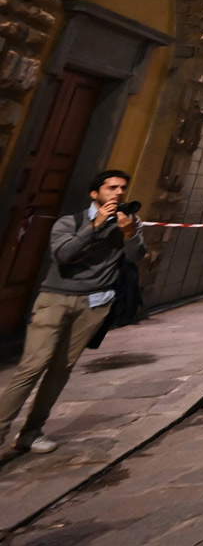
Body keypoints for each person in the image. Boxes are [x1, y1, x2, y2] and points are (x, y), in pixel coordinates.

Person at [0, 169, 143, 455]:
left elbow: (137, 258)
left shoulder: (127, 223)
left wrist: (129, 234)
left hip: (93, 304)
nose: (118, 193)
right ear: (95, 193)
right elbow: (63, 255)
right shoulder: (69, 222)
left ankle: (31, 432)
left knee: (60, 370)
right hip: (55, 300)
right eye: (111, 187)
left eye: (122, 188)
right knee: (33, 365)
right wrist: (95, 225)